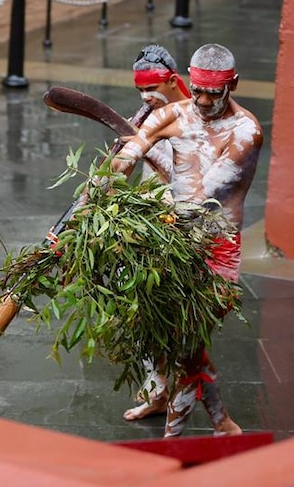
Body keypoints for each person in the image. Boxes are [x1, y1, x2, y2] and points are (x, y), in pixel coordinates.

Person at [111, 43, 263, 437]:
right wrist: (117, 166)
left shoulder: (247, 131)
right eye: (198, 90)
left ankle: (172, 440)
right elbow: (125, 159)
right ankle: (220, 422)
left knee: (183, 344)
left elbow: (203, 198)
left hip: (214, 250)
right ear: (189, 83)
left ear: (233, 85)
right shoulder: (170, 115)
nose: (205, 100)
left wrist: (147, 155)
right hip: (169, 241)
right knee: (172, 337)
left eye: (215, 92)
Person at [123, 44, 191, 422]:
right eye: (139, 91)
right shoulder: (148, 113)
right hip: (150, 221)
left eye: (151, 88)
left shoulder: (194, 115)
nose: (145, 97)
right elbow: (127, 161)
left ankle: (181, 396)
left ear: (171, 80)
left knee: (176, 317)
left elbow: (193, 179)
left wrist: (147, 150)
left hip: (185, 226)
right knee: (142, 309)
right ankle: (158, 389)